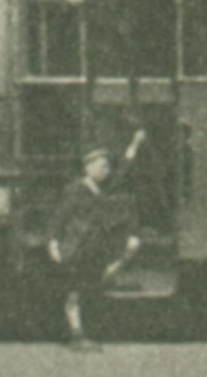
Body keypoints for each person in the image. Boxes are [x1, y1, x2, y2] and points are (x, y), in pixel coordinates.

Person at [48, 129, 146, 351]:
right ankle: (76, 335)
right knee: (74, 291)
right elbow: (60, 217)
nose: (107, 171)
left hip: (93, 246)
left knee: (89, 286)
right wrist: (53, 243)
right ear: (88, 168)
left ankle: (81, 333)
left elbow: (123, 169)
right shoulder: (75, 190)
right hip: (77, 248)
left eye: (107, 167)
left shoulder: (100, 187)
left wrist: (135, 144)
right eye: (102, 166)